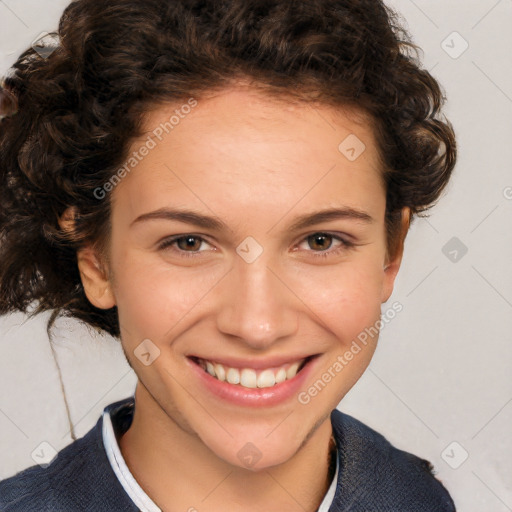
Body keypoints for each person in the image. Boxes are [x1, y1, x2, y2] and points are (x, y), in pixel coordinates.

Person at [0, 0, 457, 510]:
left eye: (320, 241)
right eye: (188, 243)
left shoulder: (420, 498)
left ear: (390, 252)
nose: (257, 325)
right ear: (95, 259)